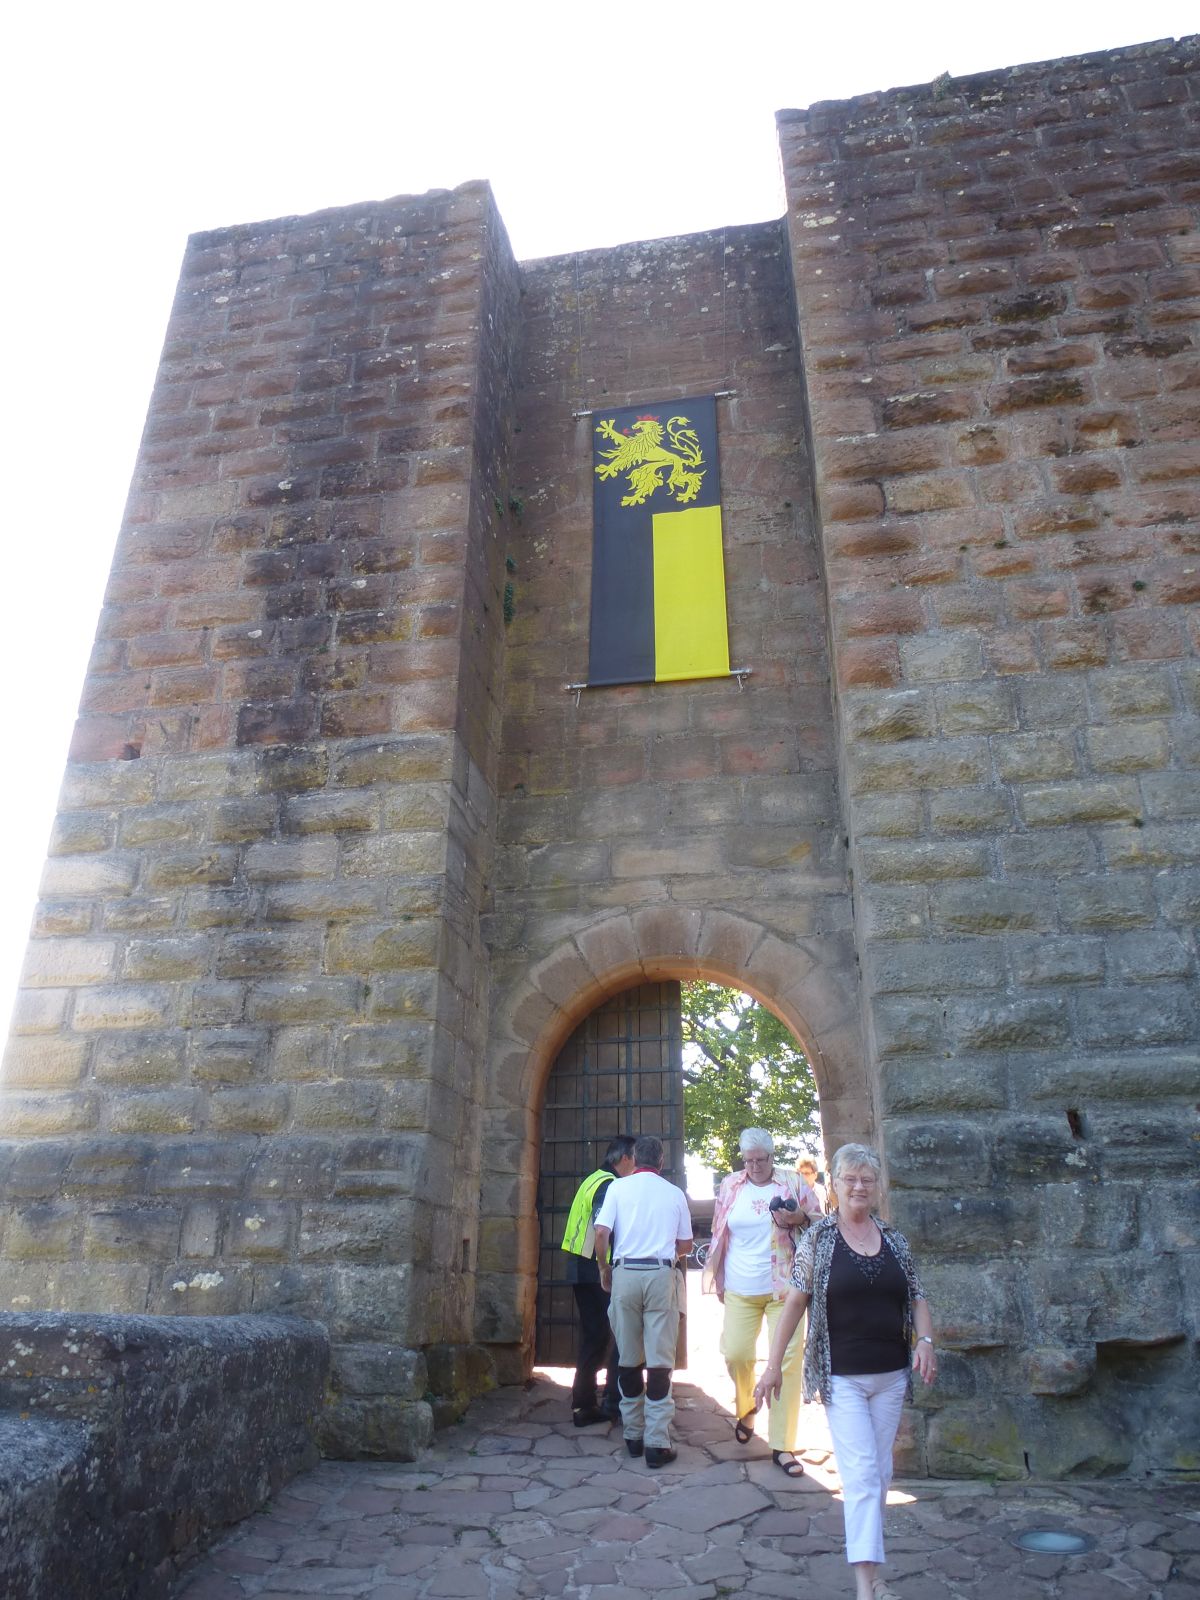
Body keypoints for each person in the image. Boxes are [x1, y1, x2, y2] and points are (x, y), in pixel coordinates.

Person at [754, 1143, 937, 1600]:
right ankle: (865, 1588)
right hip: (843, 1378)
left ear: (876, 1187)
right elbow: (794, 1304)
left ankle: (874, 1577)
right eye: (850, 1179)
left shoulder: (894, 1238)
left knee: (880, 1476)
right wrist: (772, 1366)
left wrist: (926, 1342)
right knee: (861, 1477)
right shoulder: (818, 1239)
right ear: (834, 1185)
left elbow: (917, 1296)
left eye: (867, 1179)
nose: (859, 1186)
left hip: (892, 1376)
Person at [704, 1128, 823, 1477]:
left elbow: (821, 1223)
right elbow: (719, 1229)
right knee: (736, 1354)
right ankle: (747, 1406)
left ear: (772, 1156)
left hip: (786, 1290)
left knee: (786, 1363)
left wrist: (799, 1218)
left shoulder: (793, 1183)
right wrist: (718, 1276)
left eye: (761, 1159)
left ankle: (783, 1445)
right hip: (740, 1287)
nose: (754, 1166)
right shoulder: (731, 1185)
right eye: (748, 1160)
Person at [593, 1134, 692, 1468]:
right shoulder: (674, 1193)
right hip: (660, 1274)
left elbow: (601, 1233)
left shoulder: (617, 1188)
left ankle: (633, 1435)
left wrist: (604, 1268)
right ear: (661, 1161)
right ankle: (657, 1441)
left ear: (633, 1159)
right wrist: (666, 1250)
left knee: (629, 1359)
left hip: (625, 1273)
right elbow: (686, 1245)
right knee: (660, 1362)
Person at [560, 1134, 637, 1426]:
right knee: (620, 1332)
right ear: (625, 1158)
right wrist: (607, 1268)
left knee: (595, 1335)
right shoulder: (609, 1184)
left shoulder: (593, 1179)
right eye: (635, 1159)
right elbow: (602, 1227)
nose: (636, 1166)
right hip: (596, 1270)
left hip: (580, 1267)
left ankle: (583, 1404)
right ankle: (613, 1401)